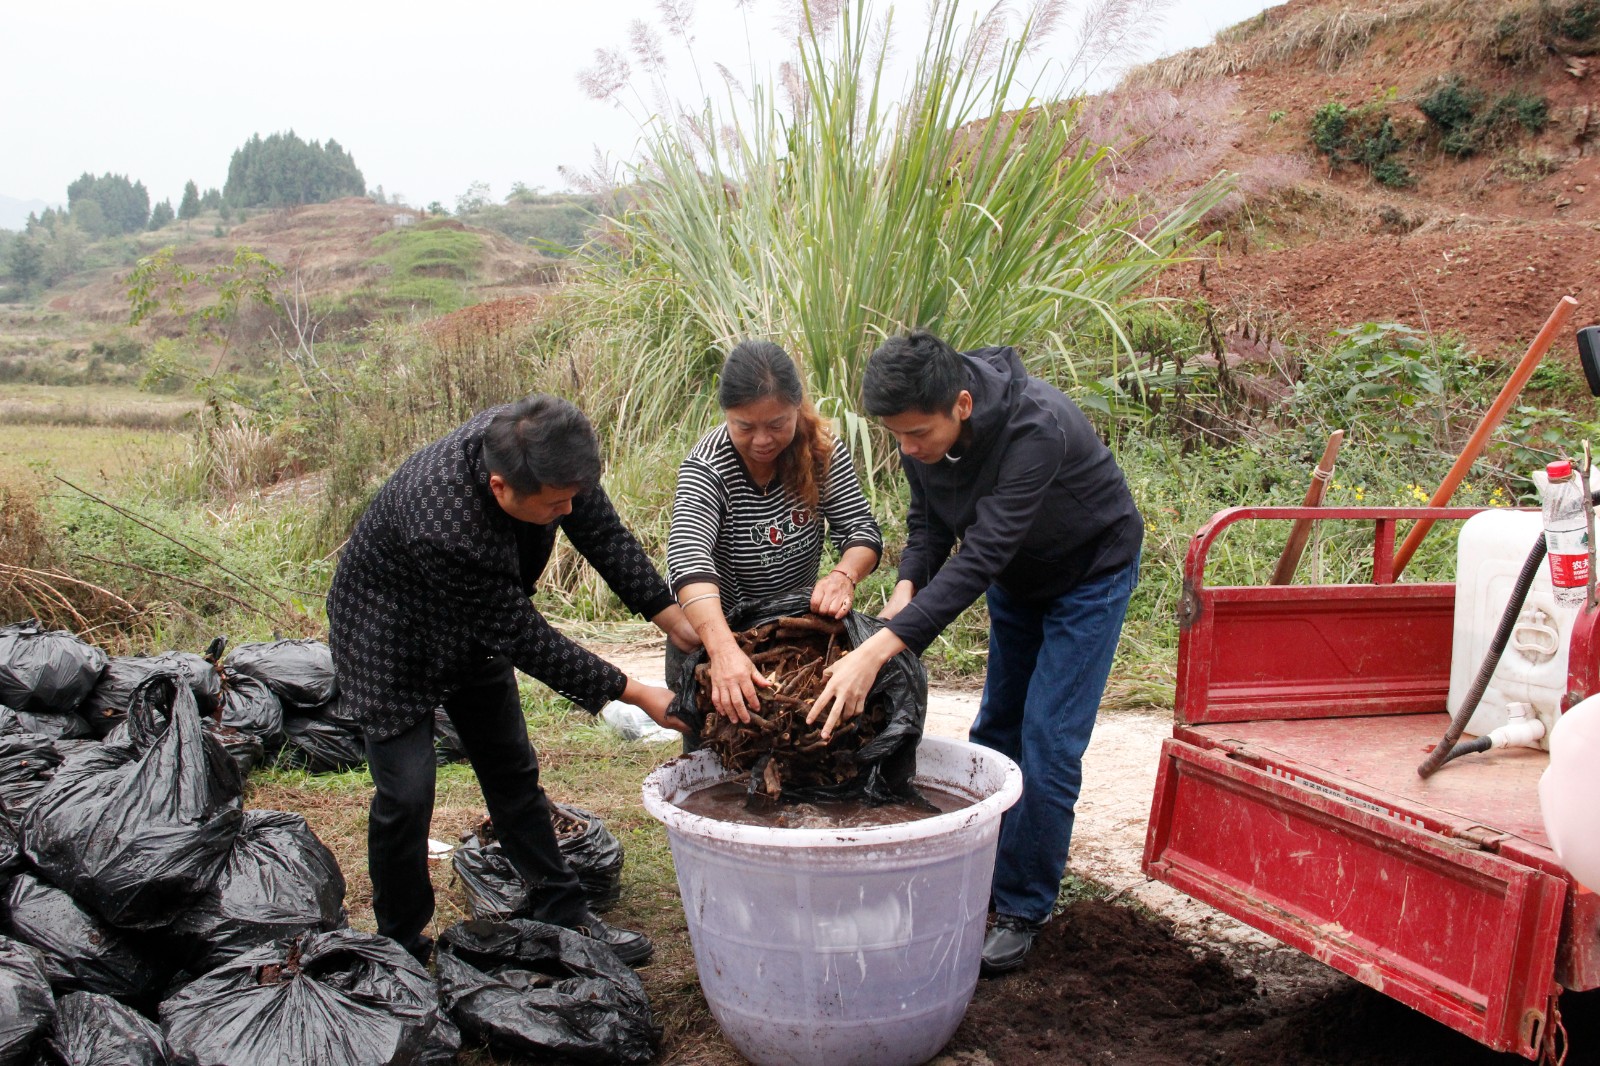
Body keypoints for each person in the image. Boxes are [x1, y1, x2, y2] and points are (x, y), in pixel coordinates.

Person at [809, 329, 1143, 975]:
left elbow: (983, 552)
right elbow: (930, 523)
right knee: (995, 729)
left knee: (1047, 741)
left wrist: (879, 648)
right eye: (897, 437)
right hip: (1021, 578)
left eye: (917, 436)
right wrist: (908, 585)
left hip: (1089, 575)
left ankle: (1022, 907)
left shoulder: (1034, 428)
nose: (908, 449)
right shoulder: (921, 429)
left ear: (961, 405)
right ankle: (981, 873)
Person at [327, 394, 696, 967]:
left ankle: (560, 906)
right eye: (555, 505)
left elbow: (605, 538)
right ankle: (400, 943)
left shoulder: (548, 453)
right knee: (406, 794)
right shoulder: (443, 521)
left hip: (473, 628)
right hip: (388, 634)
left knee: (511, 771)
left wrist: (675, 621)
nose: (567, 510)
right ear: (501, 489)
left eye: (573, 497)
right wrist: (638, 692)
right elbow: (525, 638)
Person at [667, 339, 882, 722]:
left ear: (796, 409)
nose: (762, 440)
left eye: (777, 424)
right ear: (726, 414)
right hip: (723, 634)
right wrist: (723, 651)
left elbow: (861, 531)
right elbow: (688, 559)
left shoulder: (820, 451)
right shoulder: (707, 468)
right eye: (744, 426)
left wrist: (843, 575)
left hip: (796, 635)